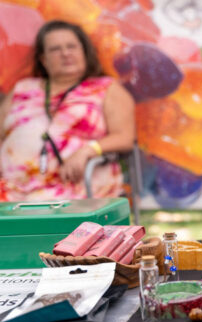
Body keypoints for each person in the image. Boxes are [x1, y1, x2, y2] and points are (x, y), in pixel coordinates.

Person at [0, 20, 135, 201]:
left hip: (76, 193)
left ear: (84, 52)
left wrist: (88, 150)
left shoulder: (106, 88)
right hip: (11, 192)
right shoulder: (22, 88)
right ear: (43, 59)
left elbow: (125, 138)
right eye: (55, 49)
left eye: (71, 46)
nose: (65, 53)